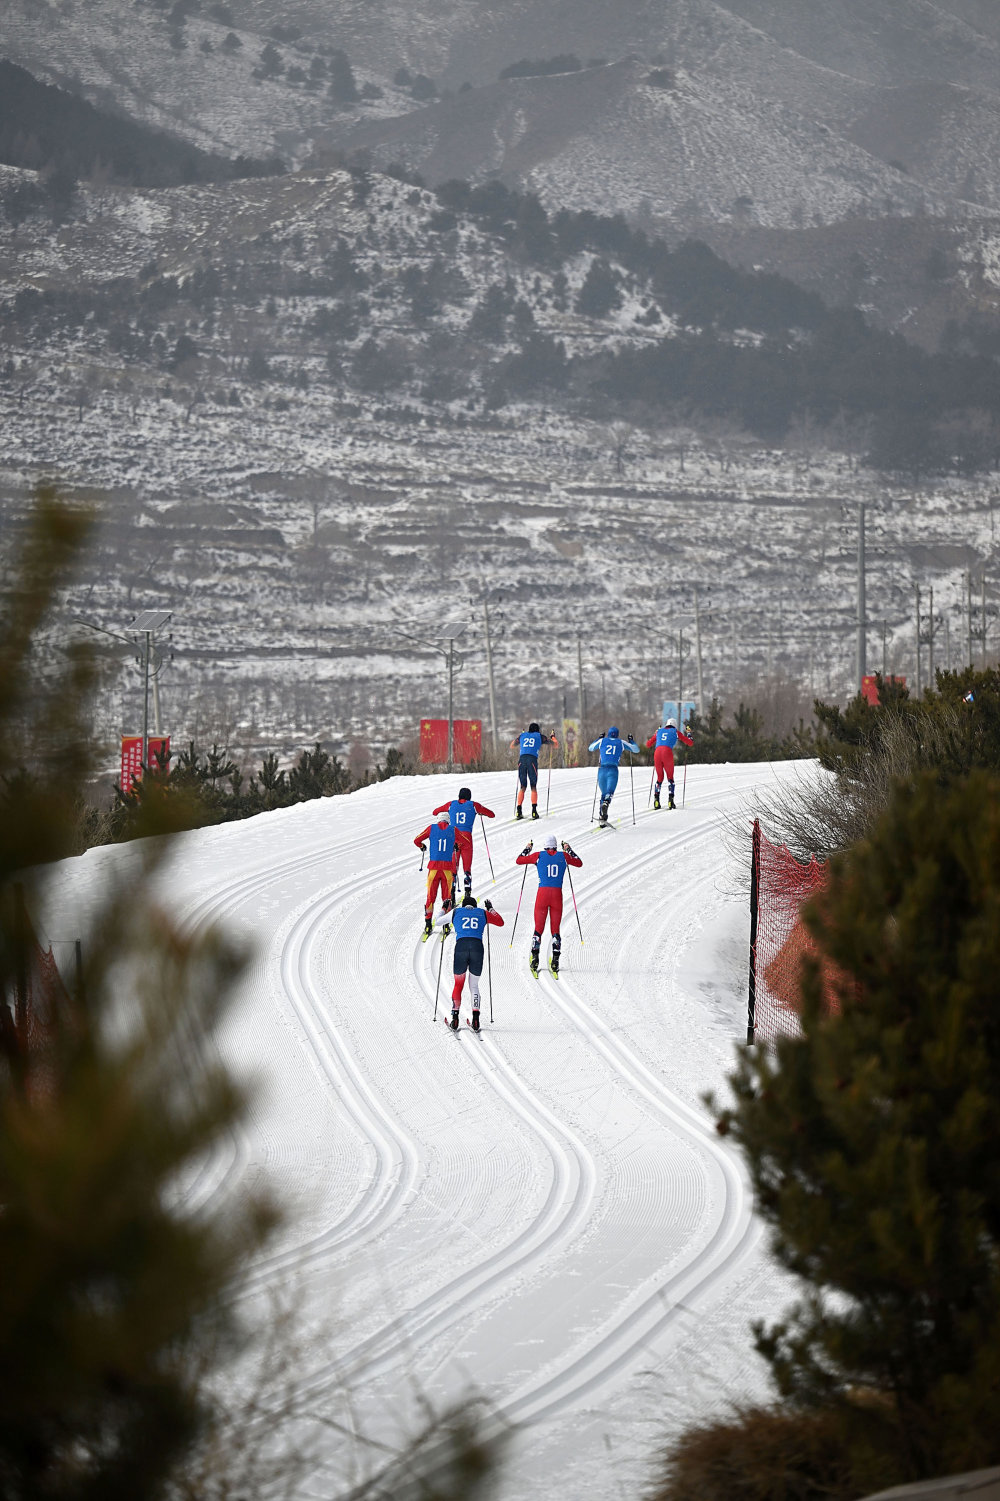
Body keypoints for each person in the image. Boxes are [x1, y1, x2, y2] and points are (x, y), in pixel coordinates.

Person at [514, 832, 582, 976]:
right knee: (555, 929)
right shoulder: (563, 856)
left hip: (542, 895)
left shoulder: (539, 855)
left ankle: (534, 958)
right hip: (557, 895)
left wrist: (527, 848)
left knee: (538, 928)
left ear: (545, 847)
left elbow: (519, 860)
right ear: (556, 847)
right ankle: (556, 960)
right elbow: (579, 862)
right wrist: (568, 849)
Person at [436, 893, 504, 1030]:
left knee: (458, 984)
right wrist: (490, 908)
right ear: (475, 906)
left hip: (461, 947)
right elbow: (500, 922)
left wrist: (444, 908)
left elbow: (437, 922)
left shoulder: (456, 912)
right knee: (474, 985)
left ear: (463, 905)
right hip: (477, 949)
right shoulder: (482, 913)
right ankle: (476, 1019)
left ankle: (455, 1019)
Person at [432, 785, 495, 892]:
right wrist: (479, 812)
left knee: (453, 865)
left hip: (454, 837)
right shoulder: (474, 805)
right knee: (467, 866)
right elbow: (492, 815)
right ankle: (467, 886)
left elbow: (435, 812)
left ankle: (452, 887)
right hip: (466, 838)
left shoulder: (451, 804)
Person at [413, 811, 457, 938]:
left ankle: (428, 924)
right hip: (447, 870)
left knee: (430, 897)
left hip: (433, 869)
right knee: (446, 897)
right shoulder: (453, 830)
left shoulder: (431, 828)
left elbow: (416, 840)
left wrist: (422, 845)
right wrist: (456, 845)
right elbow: (464, 841)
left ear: (438, 820)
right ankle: (446, 924)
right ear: (448, 821)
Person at [587, 726, 639, 825]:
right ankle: (606, 804)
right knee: (609, 792)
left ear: (608, 733)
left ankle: (602, 817)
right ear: (617, 735)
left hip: (602, 770)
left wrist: (599, 738)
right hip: (613, 770)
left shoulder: (602, 741)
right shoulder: (621, 742)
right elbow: (636, 750)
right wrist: (631, 741)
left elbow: (590, 748)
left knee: (603, 793)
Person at [508, 721, 559, 820]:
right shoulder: (539, 736)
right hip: (532, 760)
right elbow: (555, 745)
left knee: (522, 786)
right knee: (533, 786)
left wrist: (522, 736)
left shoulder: (523, 735)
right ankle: (534, 811)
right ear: (537, 730)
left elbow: (512, 745)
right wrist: (552, 736)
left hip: (521, 760)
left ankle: (518, 811)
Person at [644, 717, 694, 810]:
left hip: (657, 753)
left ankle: (656, 800)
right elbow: (690, 743)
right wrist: (689, 733)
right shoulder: (675, 732)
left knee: (659, 778)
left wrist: (656, 733)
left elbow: (648, 744)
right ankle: (671, 801)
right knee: (670, 778)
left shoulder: (659, 731)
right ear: (674, 725)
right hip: (667, 753)